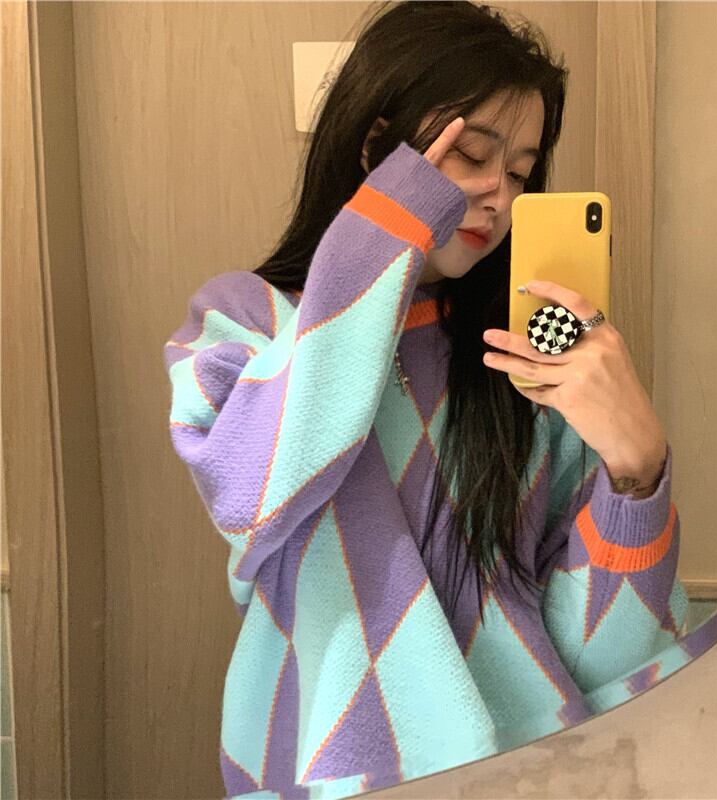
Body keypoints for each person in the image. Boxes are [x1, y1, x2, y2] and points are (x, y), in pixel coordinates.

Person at [163, 2, 688, 798]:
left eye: (521, 171)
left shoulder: (525, 360)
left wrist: (636, 472)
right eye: (471, 156)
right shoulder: (242, 322)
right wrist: (392, 222)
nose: (497, 195)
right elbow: (253, 493)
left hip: (527, 772)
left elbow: (607, 660)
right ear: (379, 150)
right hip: (316, 771)